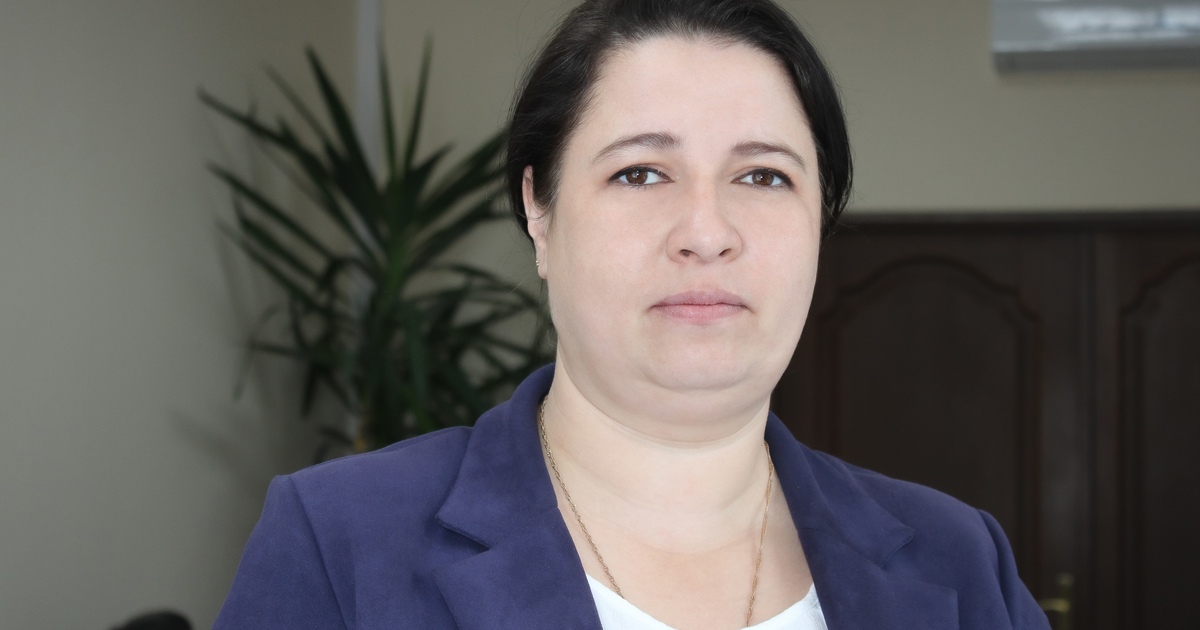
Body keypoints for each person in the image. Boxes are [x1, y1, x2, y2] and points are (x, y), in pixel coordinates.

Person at [215, 0, 1050, 628]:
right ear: (539, 211)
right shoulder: (341, 541)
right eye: (641, 173)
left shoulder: (961, 561)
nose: (706, 233)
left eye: (763, 176)